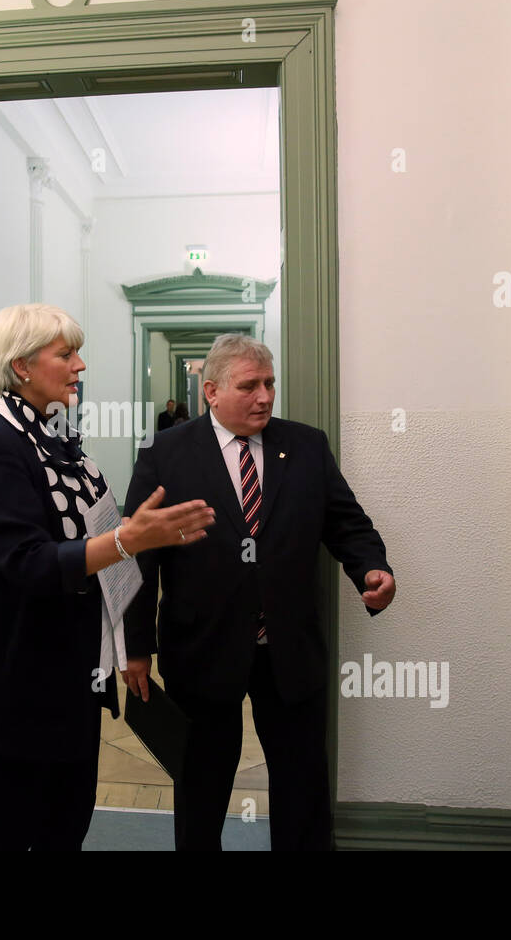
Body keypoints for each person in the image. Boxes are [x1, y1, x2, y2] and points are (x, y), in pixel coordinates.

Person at [0, 303, 214, 850]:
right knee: (15, 831)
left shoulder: (57, 438)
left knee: (66, 824)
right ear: (22, 366)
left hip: (73, 671)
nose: (80, 365)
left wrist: (133, 546)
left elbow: (89, 537)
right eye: (66, 353)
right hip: (21, 681)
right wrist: (128, 540)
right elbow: (27, 562)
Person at [122, 333, 396, 851]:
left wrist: (371, 570)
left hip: (289, 650)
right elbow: (141, 554)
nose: (265, 397)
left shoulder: (307, 445)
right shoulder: (167, 453)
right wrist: (136, 647)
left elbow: (346, 524)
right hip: (202, 649)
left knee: (302, 786)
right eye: (249, 386)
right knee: (201, 786)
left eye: (269, 384)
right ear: (211, 392)